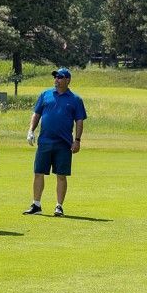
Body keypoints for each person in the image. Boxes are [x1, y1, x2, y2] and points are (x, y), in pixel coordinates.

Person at [24, 66, 86, 217]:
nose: (56, 80)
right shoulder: (45, 95)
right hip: (45, 141)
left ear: (67, 80)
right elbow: (36, 114)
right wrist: (31, 130)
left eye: (60, 77)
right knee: (39, 172)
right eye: (55, 77)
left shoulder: (75, 99)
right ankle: (36, 204)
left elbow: (79, 121)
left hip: (64, 143)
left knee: (61, 175)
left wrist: (77, 140)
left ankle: (59, 206)